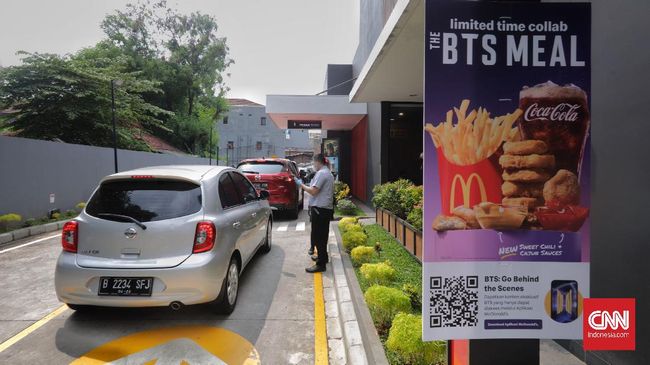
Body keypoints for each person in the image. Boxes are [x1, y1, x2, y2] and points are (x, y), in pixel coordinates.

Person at [299, 154, 334, 273]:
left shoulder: (322, 173)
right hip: (324, 209)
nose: (313, 165)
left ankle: (321, 264)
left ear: (317, 162)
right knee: (322, 236)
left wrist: (301, 185)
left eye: (313, 163)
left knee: (319, 236)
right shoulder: (326, 172)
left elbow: (313, 191)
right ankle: (322, 257)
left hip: (320, 209)